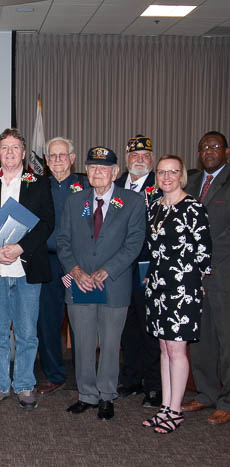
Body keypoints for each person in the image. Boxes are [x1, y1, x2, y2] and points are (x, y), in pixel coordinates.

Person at [57, 146, 145, 420]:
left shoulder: (132, 201)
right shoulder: (75, 201)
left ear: (115, 172)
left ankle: (107, 395)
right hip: (81, 283)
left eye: (103, 168)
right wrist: (75, 270)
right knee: (82, 342)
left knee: (109, 343)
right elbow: (63, 241)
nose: (97, 172)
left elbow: (134, 244)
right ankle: (86, 395)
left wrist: (107, 270)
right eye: (92, 167)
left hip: (113, 283)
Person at [0, 129, 54, 409]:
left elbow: (46, 223)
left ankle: (24, 385)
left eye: (15, 147)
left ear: (23, 152)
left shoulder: (39, 183)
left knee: (27, 331)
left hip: (26, 267)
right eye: (4, 148)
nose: (9, 153)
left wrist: (20, 248)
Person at [141, 154, 211, 434]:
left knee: (177, 348)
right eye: (161, 172)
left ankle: (176, 410)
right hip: (158, 284)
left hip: (183, 286)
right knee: (163, 347)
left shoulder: (193, 207)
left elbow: (204, 252)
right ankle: (166, 407)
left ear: (181, 175)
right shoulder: (155, 206)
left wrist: (192, 281)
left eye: (172, 172)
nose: (166, 177)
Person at [183, 131, 230, 425]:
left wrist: (205, 257)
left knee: (226, 339)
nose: (208, 151)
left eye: (214, 146)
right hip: (193, 276)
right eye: (203, 148)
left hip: (223, 273)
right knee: (200, 338)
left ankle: (227, 400)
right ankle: (206, 393)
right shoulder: (194, 180)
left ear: (226, 151)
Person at [115, 135, 162, 407]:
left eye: (145, 156)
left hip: (147, 267)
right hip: (120, 267)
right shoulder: (116, 184)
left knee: (149, 328)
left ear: (152, 160)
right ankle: (131, 378)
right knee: (127, 326)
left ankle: (153, 385)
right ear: (127, 159)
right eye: (135, 156)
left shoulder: (160, 185)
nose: (140, 160)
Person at [36, 137, 85, 396]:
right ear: (46, 160)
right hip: (48, 261)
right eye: (52, 156)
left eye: (62, 155)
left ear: (72, 158)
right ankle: (54, 374)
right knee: (47, 321)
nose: (57, 160)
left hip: (78, 263)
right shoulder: (36, 186)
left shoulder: (86, 184)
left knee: (81, 321)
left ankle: (83, 375)